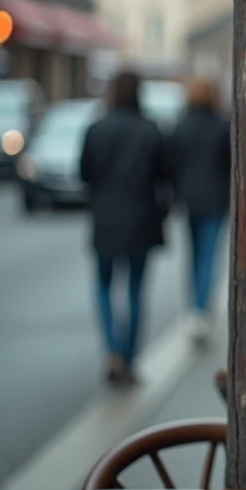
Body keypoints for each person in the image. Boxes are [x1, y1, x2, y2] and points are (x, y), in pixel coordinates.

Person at [79, 71, 172, 385]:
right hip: (141, 221)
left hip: (105, 220)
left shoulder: (96, 129)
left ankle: (112, 350)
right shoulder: (151, 130)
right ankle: (129, 358)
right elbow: (164, 176)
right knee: (135, 291)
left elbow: (84, 173)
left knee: (103, 286)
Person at [168, 77, 231, 343]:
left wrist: (176, 194)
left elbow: (171, 165)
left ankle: (195, 308)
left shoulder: (181, 126)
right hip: (216, 200)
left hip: (189, 201)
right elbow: (230, 165)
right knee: (208, 256)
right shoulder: (223, 126)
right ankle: (200, 310)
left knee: (193, 257)